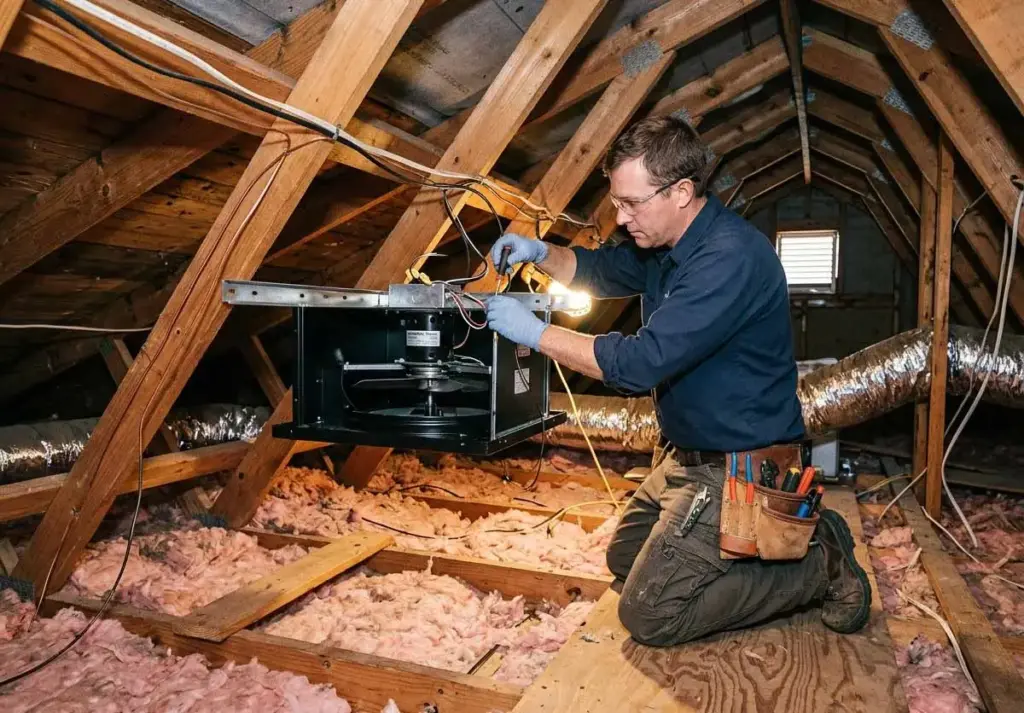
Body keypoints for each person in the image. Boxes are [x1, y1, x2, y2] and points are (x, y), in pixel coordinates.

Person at [484, 115, 871, 646]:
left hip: (738, 466)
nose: (620, 218)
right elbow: (598, 270)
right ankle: (764, 549)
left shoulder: (727, 259)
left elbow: (641, 363)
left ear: (682, 191)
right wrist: (539, 251)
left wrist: (534, 333)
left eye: (631, 204)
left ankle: (818, 562)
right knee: (624, 562)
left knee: (651, 616)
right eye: (616, 202)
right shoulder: (664, 244)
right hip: (687, 457)